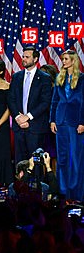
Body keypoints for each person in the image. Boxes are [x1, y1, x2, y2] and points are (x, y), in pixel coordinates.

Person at [8, 46, 52, 164]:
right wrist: (18, 118)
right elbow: (11, 99)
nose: (24, 59)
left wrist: (28, 117)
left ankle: (36, 182)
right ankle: (21, 183)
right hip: (19, 127)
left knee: (36, 161)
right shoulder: (16, 77)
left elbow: (45, 102)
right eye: (23, 57)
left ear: (35, 59)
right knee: (20, 161)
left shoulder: (44, 78)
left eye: (27, 57)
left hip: (36, 127)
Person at [50, 49, 84, 200]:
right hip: (60, 120)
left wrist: (83, 122)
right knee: (62, 158)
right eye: (63, 59)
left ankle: (76, 193)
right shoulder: (60, 77)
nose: (63, 61)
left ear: (73, 61)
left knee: (76, 159)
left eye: (66, 59)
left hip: (75, 122)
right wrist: (52, 120)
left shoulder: (82, 79)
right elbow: (54, 100)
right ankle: (63, 192)